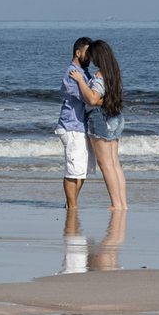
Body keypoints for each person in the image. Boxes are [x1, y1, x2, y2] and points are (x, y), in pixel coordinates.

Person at [69, 39, 127, 209]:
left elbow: (93, 99)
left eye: (93, 56)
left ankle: (116, 204)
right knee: (115, 164)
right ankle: (122, 204)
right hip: (114, 117)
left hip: (100, 118)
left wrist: (80, 80)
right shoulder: (113, 72)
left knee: (106, 165)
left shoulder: (100, 75)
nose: (91, 60)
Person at [57, 37, 95, 208]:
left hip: (80, 126)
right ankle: (72, 206)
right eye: (88, 53)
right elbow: (88, 98)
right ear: (78, 53)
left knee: (81, 169)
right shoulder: (72, 73)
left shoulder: (83, 72)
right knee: (73, 169)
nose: (90, 58)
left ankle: (70, 204)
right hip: (71, 126)